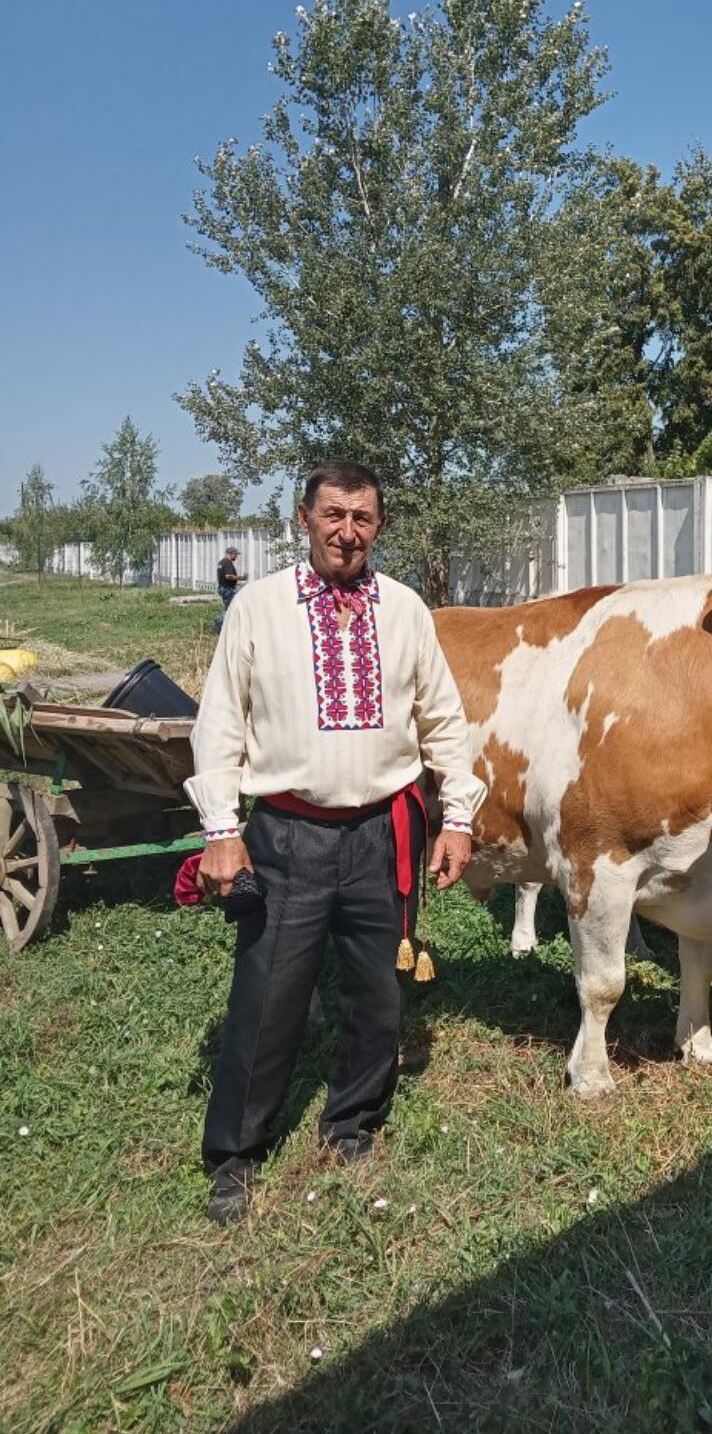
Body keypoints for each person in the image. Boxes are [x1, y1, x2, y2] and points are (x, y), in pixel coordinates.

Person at [185, 460, 485, 1224]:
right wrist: (223, 830)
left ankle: (350, 1124)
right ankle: (237, 1155)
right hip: (287, 834)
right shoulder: (259, 607)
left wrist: (457, 817)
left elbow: (444, 721)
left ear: (378, 527)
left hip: (386, 834)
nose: (347, 532)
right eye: (333, 515)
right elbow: (220, 723)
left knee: (376, 992)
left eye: (362, 518)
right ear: (304, 519)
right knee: (268, 993)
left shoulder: (406, 609)